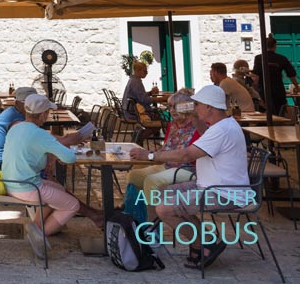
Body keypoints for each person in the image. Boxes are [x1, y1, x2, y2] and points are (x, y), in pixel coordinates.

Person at [130, 84, 250, 270]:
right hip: (208, 185)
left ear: (209, 107)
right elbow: (205, 135)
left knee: (164, 209)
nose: (195, 108)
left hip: (224, 192)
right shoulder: (222, 125)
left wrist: (150, 156)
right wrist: (195, 118)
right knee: (160, 194)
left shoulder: (221, 130)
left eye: (198, 105)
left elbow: (186, 155)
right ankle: (206, 240)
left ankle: (201, 244)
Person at [2, 94, 104, 259]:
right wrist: (62, 146)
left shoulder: (17, 127)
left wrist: (52, 150)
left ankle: (36, 225)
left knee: (59, 190)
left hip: (10, 183)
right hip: (27, 187)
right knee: (71, 205)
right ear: (43, 115)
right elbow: (69, 158)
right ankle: (38, 234)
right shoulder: (39, 134)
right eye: (48, 112)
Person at [122, 89, 202, 222]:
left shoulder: (197, 127)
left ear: (189, 108)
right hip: (168, 165)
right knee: (133, 176)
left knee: (151, 181)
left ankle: (152, 226)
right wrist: (157, 151)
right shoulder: (173, 125)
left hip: (188, 168)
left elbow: (188, 155)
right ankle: (135, 217)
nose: (172, 110)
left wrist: (153, 155)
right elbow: (167, 148)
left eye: (177, 107)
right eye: (170, 107)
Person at [0, 86, 37, 170]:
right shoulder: (15, 119)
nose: (34, 106)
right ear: (18, 103)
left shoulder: (13, 112)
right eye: (31, 103)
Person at [252, 35, 300, 116]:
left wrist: (256, 91)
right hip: (278, 89)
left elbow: (255, 76)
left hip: (264, 89)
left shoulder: (259, 58)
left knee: (266, 113)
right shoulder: (282, 58)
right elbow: (291, 74)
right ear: (275, 46)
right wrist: (297, 87)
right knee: (280, 112)